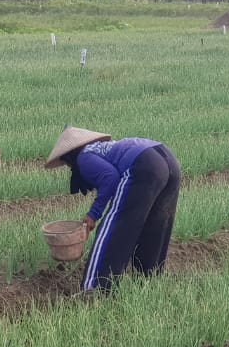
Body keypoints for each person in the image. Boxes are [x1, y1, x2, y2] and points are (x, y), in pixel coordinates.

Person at [44, 126, 181, 293]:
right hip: (168, 160)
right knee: (155, 227)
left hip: (143, 164)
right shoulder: (99, 149)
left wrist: (93, 214)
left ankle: (94, 288)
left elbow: (110, 179)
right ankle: (148, 283)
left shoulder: (84, 157)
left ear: (69, 156)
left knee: (114, 228)